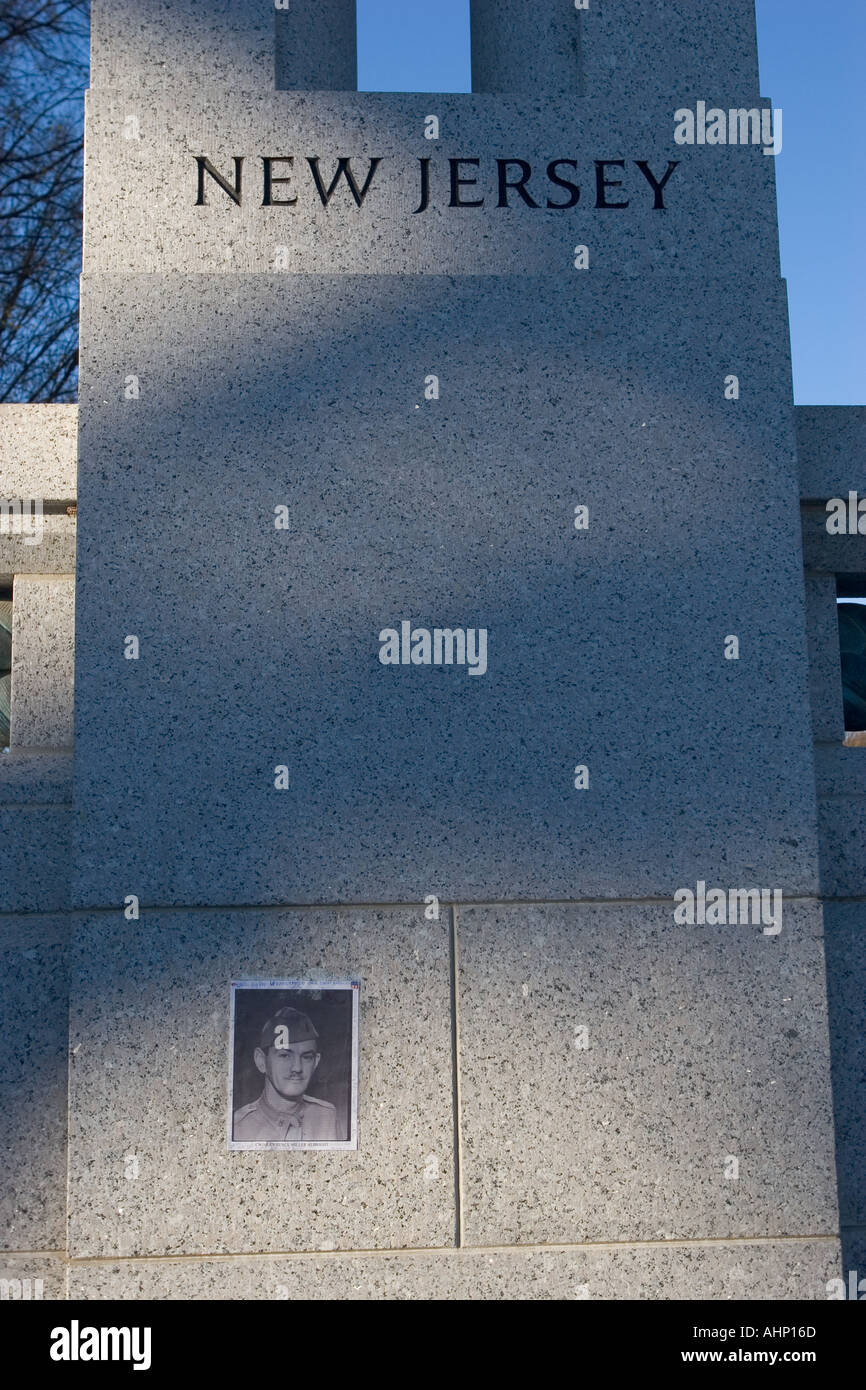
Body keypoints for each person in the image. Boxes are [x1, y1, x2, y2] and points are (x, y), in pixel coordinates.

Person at [233, 1005, 339, 1142]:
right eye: (284, 1056)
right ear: (261, 1061)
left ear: (315, 1062)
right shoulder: (238, 1127)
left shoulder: (327, 1117)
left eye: (306, 1057)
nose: (297, 1068)